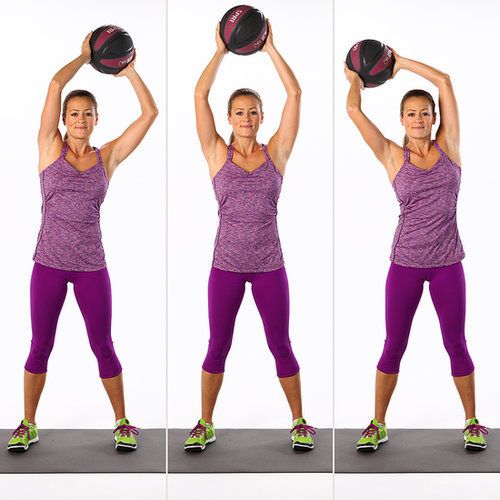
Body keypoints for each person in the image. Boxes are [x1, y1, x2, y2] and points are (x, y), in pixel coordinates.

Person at [7, 33, 158, 452]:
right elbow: (55, 86)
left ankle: (122, 421)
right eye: (73, 113)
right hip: (48, 265)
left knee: (103, 344)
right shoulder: (48, 148)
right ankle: (28, 423)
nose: (78, 119)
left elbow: (150, 113)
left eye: (87, 113)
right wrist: (83, 57)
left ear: (95, 120)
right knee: (40, 344)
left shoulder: (106, 158)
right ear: (63, 119)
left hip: (92, 266)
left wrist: (129, 72)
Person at [345, 50, 487, 452]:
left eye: (425, 113)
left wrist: (399, 61)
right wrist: (357, 75)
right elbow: (354, 111)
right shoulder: (393, 155)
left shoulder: (450, 147)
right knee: (394, 344)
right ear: (402, 120)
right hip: (404, 264)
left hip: (447, 264)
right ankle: (377, 423)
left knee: (456, 342)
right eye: (411, 114)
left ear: (434, 118)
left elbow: (444, 80)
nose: (419, 119)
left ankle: (472, 422)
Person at [184, 23, 315, 452]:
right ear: (229, 118)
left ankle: (299, 421)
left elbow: (295, 96)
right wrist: (220, 51)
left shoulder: (276, 152)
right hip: (225, 266)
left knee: (281, 343)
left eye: (253, 111)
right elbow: (199, 96)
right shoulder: (215, 152)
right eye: (239, 112)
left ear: (262, 117)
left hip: (268, 266)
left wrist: (271, 48)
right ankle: (205, 423)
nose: (246, 118)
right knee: (217, 344)